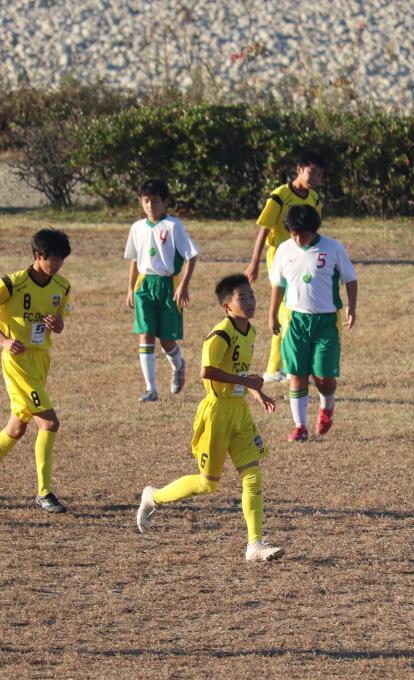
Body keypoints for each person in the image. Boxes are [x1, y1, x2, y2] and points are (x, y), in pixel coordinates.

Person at [135, 274, 284, 562]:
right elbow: (207, 371)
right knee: (207, 484)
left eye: (252, 296)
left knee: (252, 475)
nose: (250, 302)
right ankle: (153, 497)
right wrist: (247, 382)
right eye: (242, 298)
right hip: (216, 413)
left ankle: (255, 544)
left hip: (239, 412)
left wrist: (257, 392)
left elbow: (240, 372)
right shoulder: (220, 335)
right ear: (227, 306)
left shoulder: (250, 332)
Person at [0, 228, 72, 513]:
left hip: (41, 360)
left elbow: (60, 322)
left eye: (61, 259)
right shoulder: (12, 284)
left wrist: (57, 325)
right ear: (38, 255)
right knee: (49, 423)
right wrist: (3, 340)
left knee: (17, 427)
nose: (58, 264)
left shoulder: (62, 286)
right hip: (17, 362)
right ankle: (44, 493)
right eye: (53, 258)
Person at [268, 205, 358, 442]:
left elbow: (351, 279)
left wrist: (352, 307)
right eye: (293, 233)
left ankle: (326, 407)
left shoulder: (332, 248)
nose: (298, 239)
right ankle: (300, 427)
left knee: (323, 376)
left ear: (314, 229)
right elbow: (278, 284)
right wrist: (272, 314)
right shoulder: (284, 250)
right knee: (296, 373)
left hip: (326, 321)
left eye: (303, 234)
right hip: (295, 320)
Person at [245, 151, 326, 384]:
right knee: (286, 312)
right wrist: (254, 262)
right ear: (299, 169)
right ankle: (275, 369)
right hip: (280, 259)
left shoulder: (314, 199)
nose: (315, 179)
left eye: (319, 175)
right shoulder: (280, 196)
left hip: (302, 260)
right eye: (312, 172)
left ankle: (285, 366)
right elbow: (264, 230)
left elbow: (314, 233)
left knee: (292, 311)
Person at [124, 179, 199, 401]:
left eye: (155, 201)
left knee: (167, 340)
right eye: (146, 201)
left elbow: (191, 256)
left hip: (168, 286)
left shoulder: (173, 226)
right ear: (141, 201)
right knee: (145, 333)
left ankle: (178, 366)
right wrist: (130, 288)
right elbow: (134, 259)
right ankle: (151, 389)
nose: (150, 206)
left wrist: (183, 286)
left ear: (165, 202)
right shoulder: (137, 228)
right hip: (145, 286)